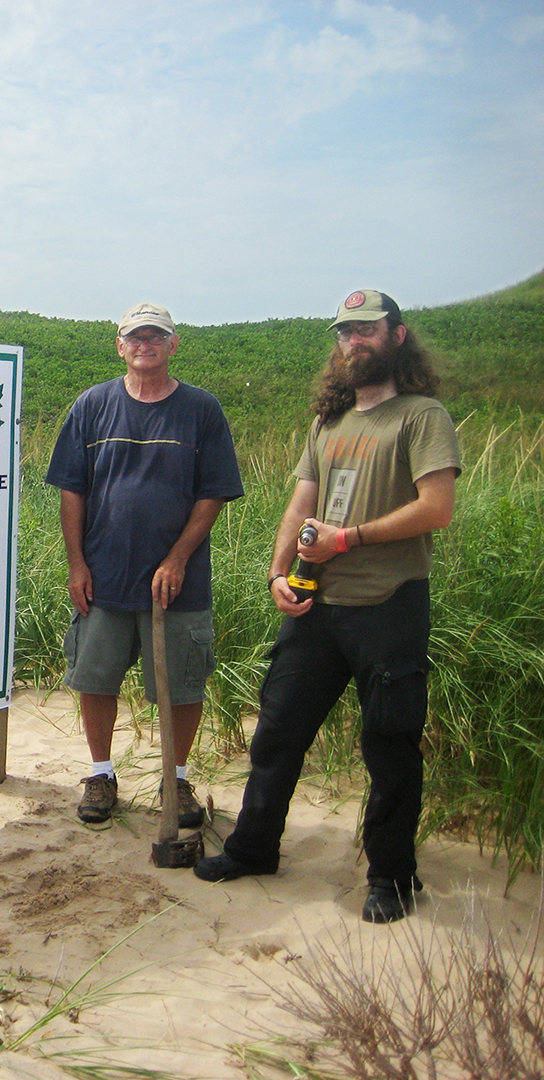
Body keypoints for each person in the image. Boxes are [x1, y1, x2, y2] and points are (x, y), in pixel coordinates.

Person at [194, 290, 461, 924]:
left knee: (389, 743)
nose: (353, 342)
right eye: (345, 333)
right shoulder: (329, 422)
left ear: (396, 336)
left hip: (388, 603)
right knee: (278, 730)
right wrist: (277, 571)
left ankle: (392, 878)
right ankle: (254, 848)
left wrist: (351, 539)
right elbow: (300, 503)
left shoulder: (421, 417)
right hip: (316, 604)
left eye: (366, 330)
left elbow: (437, 509)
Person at [46, 303, 243, 827]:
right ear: (120, 345)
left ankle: (175, 782)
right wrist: (77, 564)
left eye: (155, 337)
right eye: (135, 337)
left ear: (173, 345)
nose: (144, 345)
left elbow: (214, 493)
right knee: (95, 678)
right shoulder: (91, 406)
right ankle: (101, 774)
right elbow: (72, 489)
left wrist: (178, 558)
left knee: (181, 685)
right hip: (104, 575)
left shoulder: (201, 410)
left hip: (177, 584)